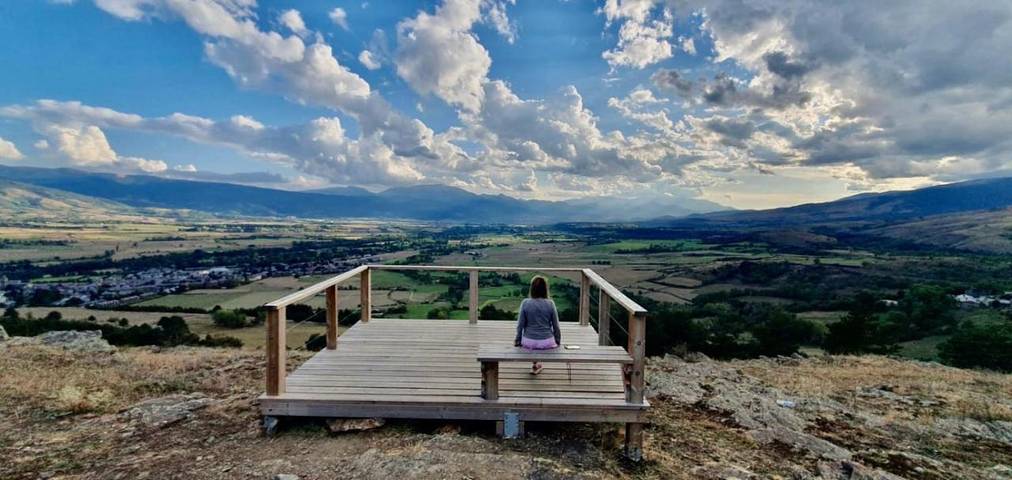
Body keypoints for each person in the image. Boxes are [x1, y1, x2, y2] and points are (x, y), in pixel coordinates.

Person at [514, 275, 562, 375]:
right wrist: (557, 341)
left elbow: (520, 325)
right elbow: (556, 326)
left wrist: (518, 340)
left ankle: (536, 364)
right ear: (545, 289)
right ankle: (537, 365)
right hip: (547, 342)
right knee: (541, 343)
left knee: (533, 344)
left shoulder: (525, 303)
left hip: (528, 341)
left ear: (532, 289)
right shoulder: (550, 303)